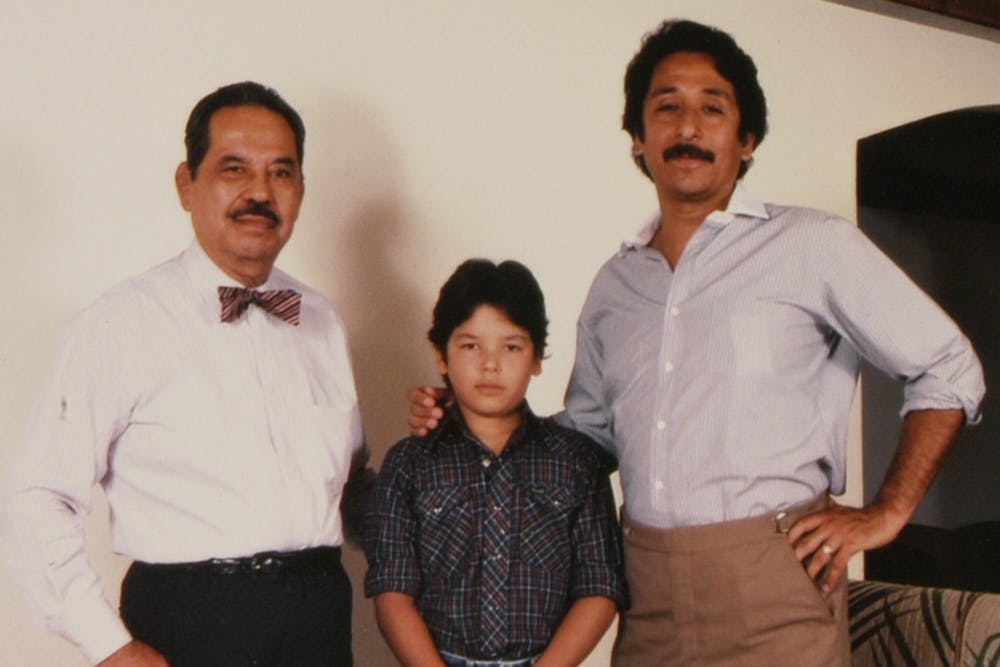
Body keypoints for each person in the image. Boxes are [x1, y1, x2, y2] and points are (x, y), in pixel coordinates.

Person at [408, 19, 985, 666]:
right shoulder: (615, 286)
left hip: (777, 586)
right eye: (667, 107)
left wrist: (888, 511)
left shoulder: (812, 246)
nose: (687, 126)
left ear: (746, 139)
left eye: (712, 108)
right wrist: (471, 417)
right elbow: (587, 439)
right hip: (647, 588)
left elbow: (947, 365)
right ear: (638, 140)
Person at [1, 81, 372, 666]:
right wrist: (110, 647)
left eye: (281, 172)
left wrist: (445, 441)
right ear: (186, 184)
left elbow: (353, 487)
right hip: (187, 623)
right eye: (234, 169)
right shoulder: (120, 323)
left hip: (318, 621)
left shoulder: (322, 321)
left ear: (301, 190)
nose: (259, 192)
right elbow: (37, 495)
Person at [367, 259, 627, 667]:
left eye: (512, 346)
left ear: (538, 358)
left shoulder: (576, 462)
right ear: (441, 356)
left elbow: (600, 587)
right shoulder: (409, 464)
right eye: (471, 346)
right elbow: (392, 593)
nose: (490, 364)